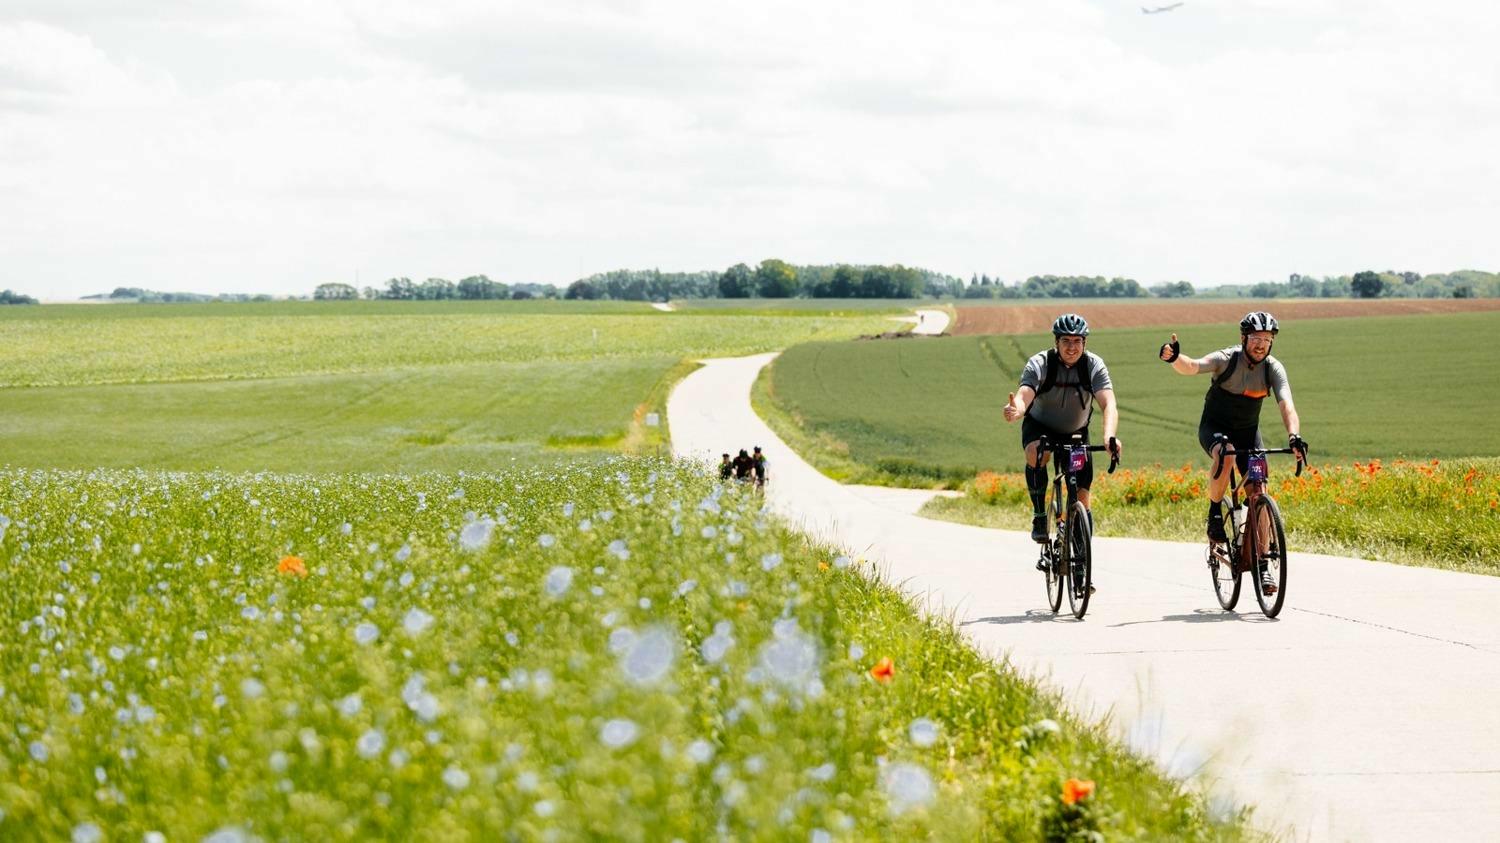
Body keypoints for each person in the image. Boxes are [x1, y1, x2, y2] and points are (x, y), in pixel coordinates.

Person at [1158, 311, 1307, 557]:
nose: (1261, 345)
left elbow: (1287, 404)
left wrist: (1294, 436)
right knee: (1226, 453)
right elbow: (1194, 366)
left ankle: (1263, 563)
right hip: (1215, 428)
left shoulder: (1273, 368)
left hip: (1248, 434)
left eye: (1267, 339)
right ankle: (1215, 513)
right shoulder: (1227, 359)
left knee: (1259, 492)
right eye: (1256, 338)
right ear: (1243, 338)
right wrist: (1175, 358)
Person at [1002, 313, 1121, 555]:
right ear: (1056, 342)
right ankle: (1039, 515)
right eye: (1066, 341)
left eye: (1077, 341)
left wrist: (1109, 437)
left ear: (1084, 343)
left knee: (1083, 498)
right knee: (1037, 454)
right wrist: (1018, 410)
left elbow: (1108, 404)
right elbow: (1024, 394)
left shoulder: (1093, 365)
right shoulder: (1040, 363)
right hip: (1040, 428)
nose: (1071, 347)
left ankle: (1080, 559)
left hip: (1075, 433)